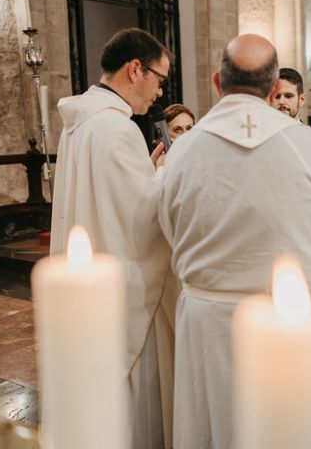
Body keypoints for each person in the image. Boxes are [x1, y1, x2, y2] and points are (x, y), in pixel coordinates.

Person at [159, 34, 311, 449]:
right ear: (272, 88)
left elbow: (169, 228)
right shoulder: (309, 146)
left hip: (211, 327)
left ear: (216, 82)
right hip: (295, 321)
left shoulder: (184, 150)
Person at [51, 28, 178, 449]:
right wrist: (168, 178)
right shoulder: (118, 129)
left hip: (89, 281)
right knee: (135, 405)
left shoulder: (78, 123)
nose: (160, 93)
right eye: (160, 79)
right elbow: (144, 222)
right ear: (135, 68)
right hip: (123, 286)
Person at [272, 66, 311, 149]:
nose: (281, 101)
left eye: (288, 96)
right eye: (277, 96)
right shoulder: (259, 139)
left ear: (301, 99)